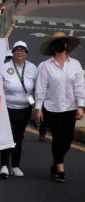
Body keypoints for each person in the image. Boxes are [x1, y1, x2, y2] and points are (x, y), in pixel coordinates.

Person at [35, 31, 84, 183]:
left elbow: (80, 87)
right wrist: (38, 108)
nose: (60, 44)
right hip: (52, 107)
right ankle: (60, 169)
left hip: (70, 107)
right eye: (57, 42)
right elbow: (41, 88)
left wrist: (81, 106)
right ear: (52, 46)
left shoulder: (75, 64)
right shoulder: (45, 66)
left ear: (66, 45)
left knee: (68, 139)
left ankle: (56, 163)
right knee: (58, 138)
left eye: (62, 41)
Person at [0, 41, 38, 179]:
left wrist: (35, 107)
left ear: (26, 54)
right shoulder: (4, 68)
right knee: (7, 137)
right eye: (17, 50)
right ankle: (4, 166)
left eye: (22, 51)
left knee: (18, 138)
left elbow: (35, 90)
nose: (19, 53)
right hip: (7, 108)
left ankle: (15, 166)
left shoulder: (33, 68)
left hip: (24, 109)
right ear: (12, 53)